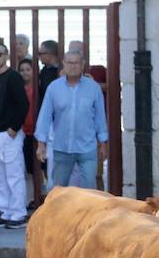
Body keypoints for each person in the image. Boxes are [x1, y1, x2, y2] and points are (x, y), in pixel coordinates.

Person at [35, 50, 108, 190]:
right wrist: (41, 143)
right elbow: (45, 116)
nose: (73, 66)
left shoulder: (93, 88)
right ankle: (59, 213)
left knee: (89, 189)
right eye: (69, 62)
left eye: (76, 63)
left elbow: (100, 117)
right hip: (62, 148)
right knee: (58, 190)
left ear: (82, 65)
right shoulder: (54, 88)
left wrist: (103, 143)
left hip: (87, 148)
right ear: (64, 64)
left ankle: (89, 213)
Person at [0, 41, 30, 229]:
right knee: (1, 177)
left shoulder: (12, 76)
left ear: (6, 55)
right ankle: (6, 212)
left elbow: (23, 104)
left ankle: (19, 213)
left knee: (14, 175)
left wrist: (13, 128)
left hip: (9, 133)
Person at [19, 58, 45, 210]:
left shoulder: (40, 88)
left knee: (41, 167)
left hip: (38, 131)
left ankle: (41, 194)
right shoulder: (18, 87)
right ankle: (32, 198)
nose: (25, 73)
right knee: (29, 168)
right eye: (22, 70)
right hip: (24, 132)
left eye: (28, 69)